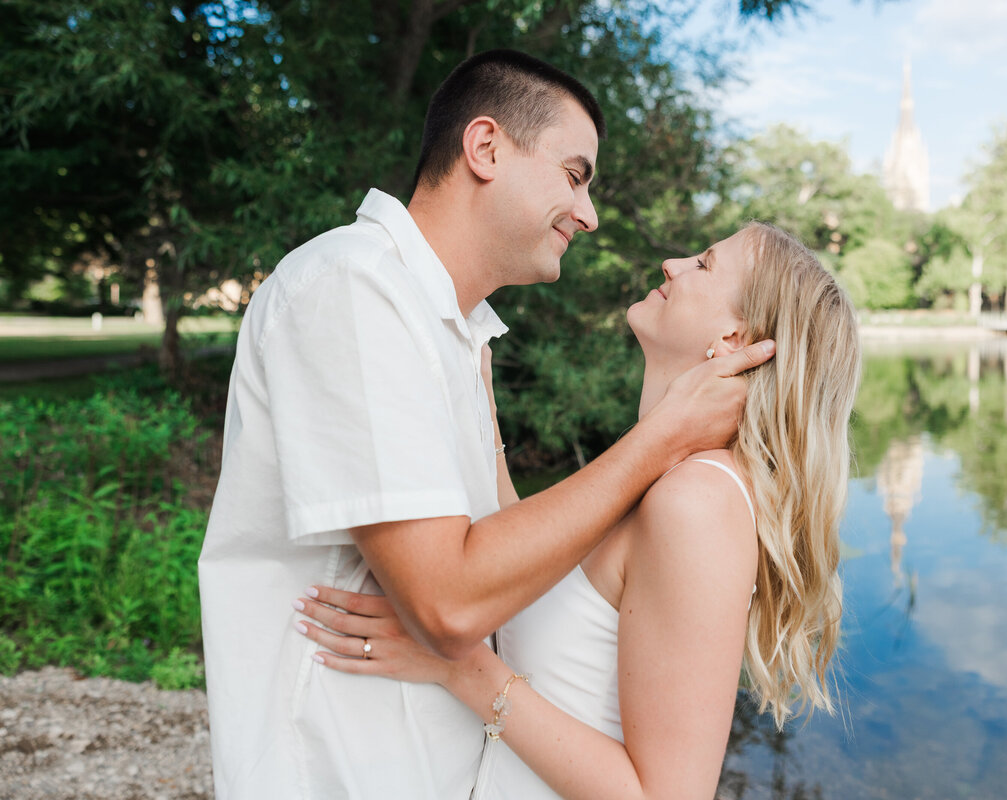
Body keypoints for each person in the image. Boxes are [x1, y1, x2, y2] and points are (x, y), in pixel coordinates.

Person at [197, 49, 774, 799]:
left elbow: (507, 565)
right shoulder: (355, 287)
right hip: (338, 769)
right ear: (486, 148)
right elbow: (449, 603)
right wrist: (659, 439)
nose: (590, 214)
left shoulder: (455, 335)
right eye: (574, 175)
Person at [291, 221, 863, 799]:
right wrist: (480, 410)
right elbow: (548, 584)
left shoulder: (697, 501)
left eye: (705, 264)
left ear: (735, 338)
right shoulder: (662, 473)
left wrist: (457, 665)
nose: (673, 263)